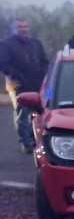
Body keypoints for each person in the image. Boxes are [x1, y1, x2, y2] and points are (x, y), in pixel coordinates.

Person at [0, 19, 49, 153]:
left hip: (37, 83)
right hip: (17, 85)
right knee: (22, 114)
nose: (23, 29)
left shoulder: (35, 43)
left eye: (25, 26)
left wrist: (45, 75)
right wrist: (16, 75)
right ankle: (26, 143)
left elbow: (44, 61)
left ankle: (39, 139)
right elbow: (3, 64)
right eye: (20, 27)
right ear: (14, 29)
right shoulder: (6, 44)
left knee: (40, 113)